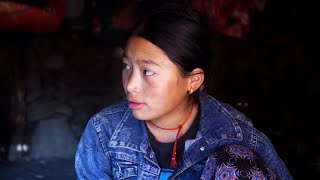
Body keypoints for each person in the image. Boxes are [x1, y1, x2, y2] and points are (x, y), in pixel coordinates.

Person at [75, 2, 293, 179]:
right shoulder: (104, 130)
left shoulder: (236, 135)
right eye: (126, 66)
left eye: (148, 71)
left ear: (193, 81)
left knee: (237, 160)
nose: (130, 84)